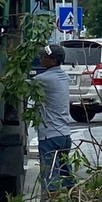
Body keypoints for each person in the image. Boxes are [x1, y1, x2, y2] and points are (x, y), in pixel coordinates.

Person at [34, 44, 75, 193]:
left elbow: (19, 87)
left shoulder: (43, 79)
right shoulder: (64, 76)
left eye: (44, 57)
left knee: (50, 178)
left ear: (52, 61)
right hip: (64, 135)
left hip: (49, 136)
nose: (40, 59)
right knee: (67, 175)